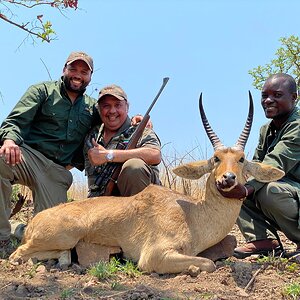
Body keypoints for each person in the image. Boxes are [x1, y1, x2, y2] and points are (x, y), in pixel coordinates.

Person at [0, 51, 99, 256]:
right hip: (28, 157)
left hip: (56, 172)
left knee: (50, 236)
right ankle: (1, 236)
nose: (77, 75)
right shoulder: (42, 90)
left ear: (90, 77)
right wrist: (9, 141)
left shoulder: (92, 108)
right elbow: (15, 122)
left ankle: (18, 229)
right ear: (64, 70)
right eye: (73, 69)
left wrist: (133, 122)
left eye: (84, 71)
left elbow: (113, 120)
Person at [217, 73, 300, 258]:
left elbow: (273, 165)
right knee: (234, 183)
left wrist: (246, 190)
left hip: (290, 193)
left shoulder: (298, 126)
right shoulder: (266, 130)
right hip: (287, 193)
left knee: (268, 189)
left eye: (277, 95)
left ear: (294, 97)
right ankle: (263, 240)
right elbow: (253, 167)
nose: (268, 100)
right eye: (264, 96)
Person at [85, 84, 161, 197]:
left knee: (134, 166)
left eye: (118, 105)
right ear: (99, 109)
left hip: (144, 203)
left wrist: (108, 155)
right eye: (106, 106)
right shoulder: (91, 136)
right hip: (100, 203)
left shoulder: (140, 131)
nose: (112, 111)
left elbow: (154, 155)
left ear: (127, 107)